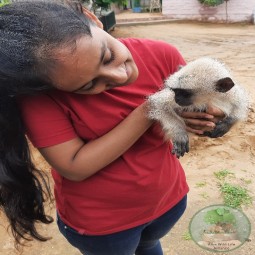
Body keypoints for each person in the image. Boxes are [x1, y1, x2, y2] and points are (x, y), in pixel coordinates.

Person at [0, 1, 225, 254]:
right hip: (105, 229)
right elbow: (74, 166)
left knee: (150, 245)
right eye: (87, 86)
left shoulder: (163, 54)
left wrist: (205, 116)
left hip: (169, 202)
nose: (120, 76)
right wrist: (152, 108)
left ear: (93, 19)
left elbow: (192, 110)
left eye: (107, 56)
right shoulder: (40, 100)